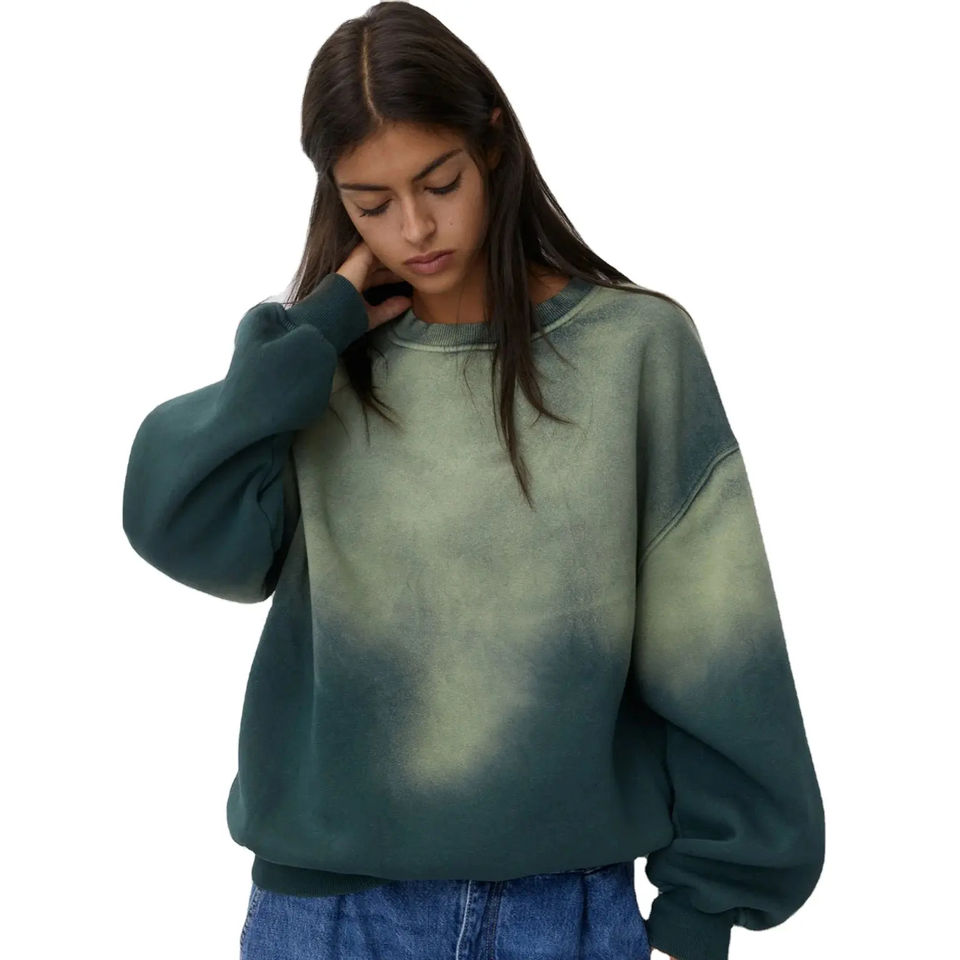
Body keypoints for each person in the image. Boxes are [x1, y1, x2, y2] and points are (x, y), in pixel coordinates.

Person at [121, 3, 825, 959]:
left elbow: (718, 642)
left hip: (567, 912)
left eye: (439, 182)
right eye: (371, 202)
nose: (415, 227)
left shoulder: (634, 352)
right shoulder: (321, 373)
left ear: (492, 142)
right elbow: (176, 520)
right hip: (327, 918)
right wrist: (309, 339)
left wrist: (710, 906)